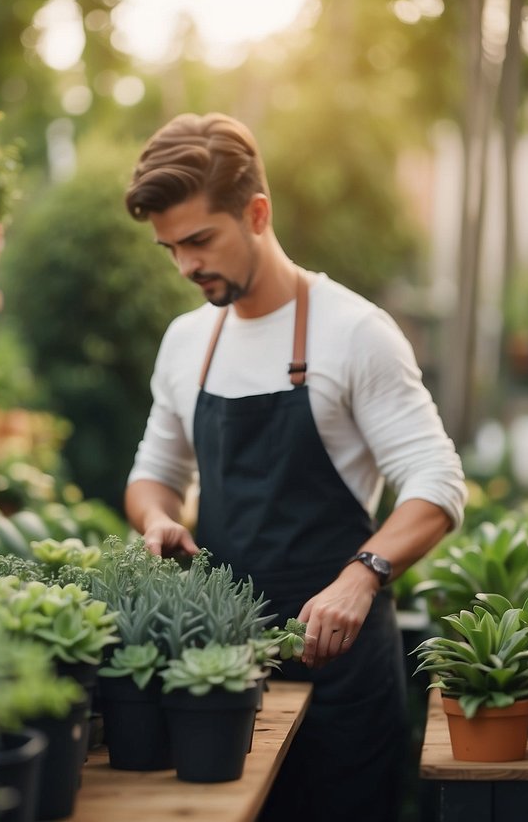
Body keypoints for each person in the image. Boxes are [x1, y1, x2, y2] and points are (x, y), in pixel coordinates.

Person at [123, 112, 466, 822]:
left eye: (198, 240)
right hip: (220, 670)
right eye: (169, 249)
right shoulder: (186, 341)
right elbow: (153, 472)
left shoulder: (356, 333)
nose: (186, 265)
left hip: (340, 676)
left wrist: (360, 576)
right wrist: (156, 519)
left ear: (256, 213)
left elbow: (436, 483)